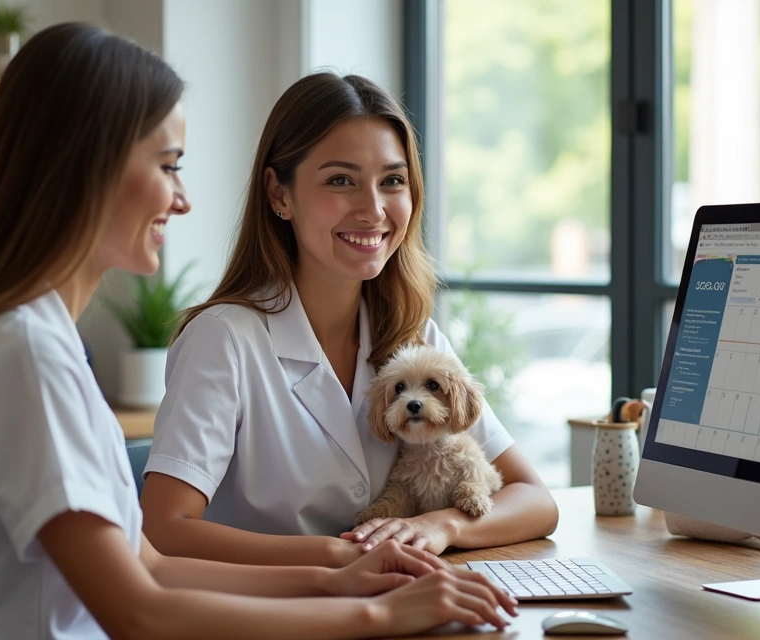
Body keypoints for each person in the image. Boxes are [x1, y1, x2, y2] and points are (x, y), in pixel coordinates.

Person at [0, 23, 516, 640]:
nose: (182, 198)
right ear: (86, 169)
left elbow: (148, 563)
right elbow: (138, 611)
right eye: (168, 165)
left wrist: (339, 577)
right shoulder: (24, 352)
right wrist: (374, 613)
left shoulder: (37, 339)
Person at [140, 73, 560, 568]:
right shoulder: (224, 339)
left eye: (393, 181)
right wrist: (342, 557)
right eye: (341, 180)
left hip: (389, 599)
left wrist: (440, 525)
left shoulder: (414, 336)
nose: (373, 210)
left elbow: (535, 500)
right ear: (279, 194)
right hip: (275, 608)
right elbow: (163, 530)